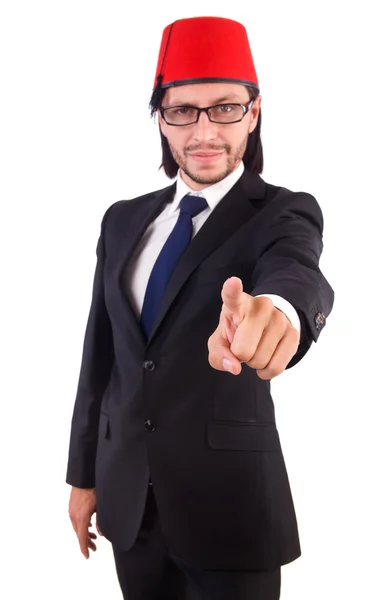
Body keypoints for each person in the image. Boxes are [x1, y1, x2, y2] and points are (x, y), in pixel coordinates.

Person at [66, 15, 334, 600]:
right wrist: (82, 476)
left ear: (254, 113)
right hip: (129, 504)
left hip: (230, 508)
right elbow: (101, 357)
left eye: (225, 108)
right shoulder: (123, 220)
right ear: (162, 120)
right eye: (183, 110)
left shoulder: (281, 212)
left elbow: (297, 270)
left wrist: (279, 311)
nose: (204, 130)